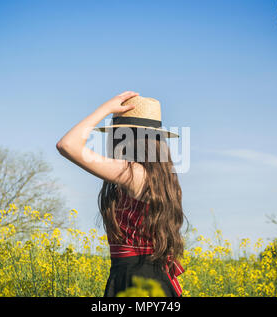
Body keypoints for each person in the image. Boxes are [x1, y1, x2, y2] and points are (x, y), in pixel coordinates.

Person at [56, 91, 186, 297]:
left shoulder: (133, 173)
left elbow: (67, 145)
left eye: (115, 133)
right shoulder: (166, 181)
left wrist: (105, 108)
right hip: (156, 280)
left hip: (134, 281)